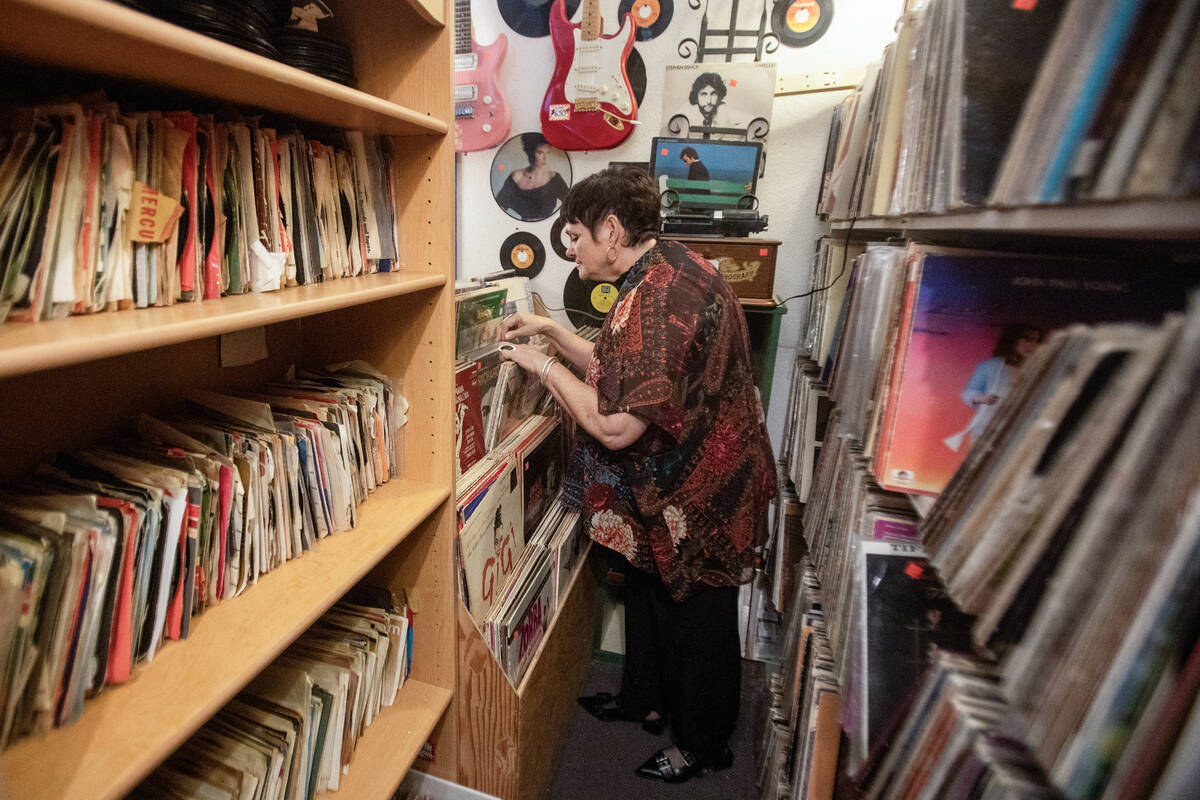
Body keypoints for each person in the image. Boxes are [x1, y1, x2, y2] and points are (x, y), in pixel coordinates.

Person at [498, 166, 777, 783]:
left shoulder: (661, 299)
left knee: (699, 617)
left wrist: (542, 369)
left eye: (575, 235)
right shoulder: (661, 269)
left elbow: (618, 424)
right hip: (673, 488)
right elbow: (620, 365)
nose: (569, 250)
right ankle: (642, 700)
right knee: (652, 593)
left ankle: (705, 746)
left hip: (707, 494)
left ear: (612, 230)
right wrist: (551, 331)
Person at [944, 323, 1044, 452]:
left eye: (1036, 340)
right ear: (1013, 340)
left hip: (1019, 434)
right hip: (985, 432)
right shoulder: (990, 367)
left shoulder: (1037, 370)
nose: (1032, 345)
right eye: (1028, 339)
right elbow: (968, 393)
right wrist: (982, 398)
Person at [494, 133, 570, 221]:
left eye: (548, 153)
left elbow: (572, 206)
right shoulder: (516, 177)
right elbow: (499, 208)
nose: (545, 158)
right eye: (540, 153)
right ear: (530, 152)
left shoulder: (554, 178)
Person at [688, 72, 727, 137]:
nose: (709, 101)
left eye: (713, 94)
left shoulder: (726, 117)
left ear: (719, 96)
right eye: (704, 94)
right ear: (696, 97)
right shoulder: (687, 119)